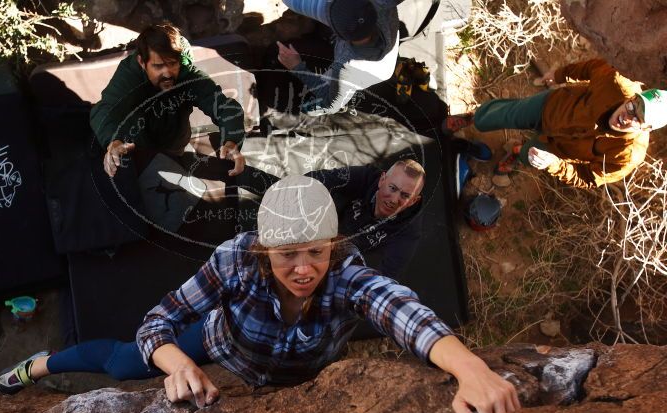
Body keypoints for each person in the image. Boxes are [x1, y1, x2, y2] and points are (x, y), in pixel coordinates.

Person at [0, 176, 520, 413]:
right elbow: (158, 321)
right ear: (265, 249)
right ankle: (36, 367)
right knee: (123, 363)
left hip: (300, 376)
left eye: (315, 252)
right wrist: (177, 363)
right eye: (287, 255)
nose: (303, 269)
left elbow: (401, 309)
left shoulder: (346, 271)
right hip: (222, 345)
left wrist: (470, 369)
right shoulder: (234, 259)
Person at [443, 59, 667, 188]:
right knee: (488, 119)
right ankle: (474, 116)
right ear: (632, 97)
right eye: (632, 106)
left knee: (528, 156)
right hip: (552, 107)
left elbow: (589, 177)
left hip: (556, 150)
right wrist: (559, 75)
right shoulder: (618, 83)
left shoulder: (628, 155)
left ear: (646, 129)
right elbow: (590, 67)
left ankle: (517, 150)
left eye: (638, 118)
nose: (627, 116)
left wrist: (554, 165)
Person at [89, 23, 247, 179]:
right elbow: (105, 109)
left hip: (176, 145)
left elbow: (224, 107)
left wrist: (232, 140)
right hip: (139, 148)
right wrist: (113, 141)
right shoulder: (129, 75)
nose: (167, 74)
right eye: (158, 66)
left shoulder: (189, 76)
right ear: (142, 63)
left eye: (172, 64)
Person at [276, 0, 405, 115]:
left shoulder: (348, 66)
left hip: (375, 73)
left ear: (338, 33)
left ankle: (312, 109)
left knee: (314, 106)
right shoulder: (382, 3)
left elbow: (332, 105)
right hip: (389, 47)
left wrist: (297, 66)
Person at [306, 158, 425, 278]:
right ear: (382, 180)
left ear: (413, 201)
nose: (394, 200)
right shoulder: (365, 176)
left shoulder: (409, 231)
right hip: (321, 225)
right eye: (392, 188)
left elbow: (387, 275)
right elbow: (311, 180)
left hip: (347, 256)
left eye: (405, 196)